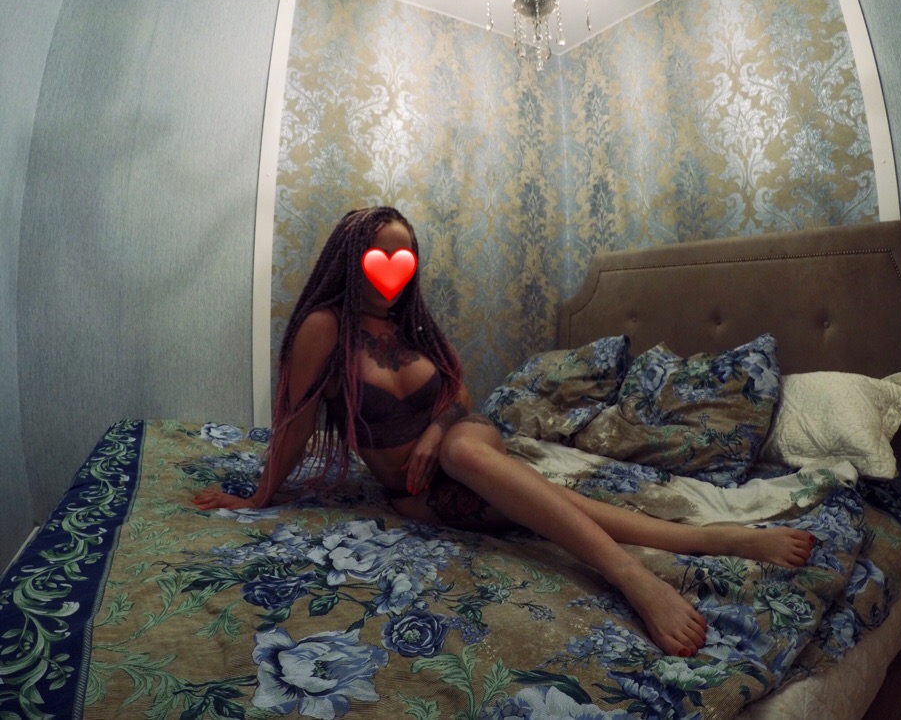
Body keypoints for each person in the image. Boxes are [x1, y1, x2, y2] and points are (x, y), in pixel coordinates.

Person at [194, 205, 814, 657]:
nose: (394, 277)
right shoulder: (325, 328)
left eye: (405, 262)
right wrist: (259, 496)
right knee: (548, 505)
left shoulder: (411, 326)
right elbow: (296, 424)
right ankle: (713, 538)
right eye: (378, 259)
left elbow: (460, 396)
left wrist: (437, 432)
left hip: (468, 442)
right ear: (349, 259)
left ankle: (634, 577)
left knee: (464, 446)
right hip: (422, 492)